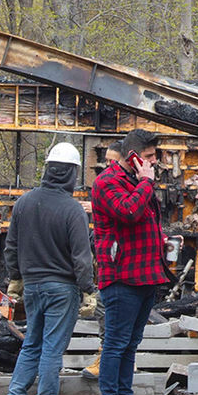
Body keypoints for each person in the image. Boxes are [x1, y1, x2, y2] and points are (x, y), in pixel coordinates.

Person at [4, 142, 95, 395]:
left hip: (32, 286)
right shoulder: (73, 210)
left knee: (32, 342)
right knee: (53, 346)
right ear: (72, 174)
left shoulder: (24, 203)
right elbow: (82, 256)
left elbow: (11, 245)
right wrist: (87, 289)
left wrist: (16, 277)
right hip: (62, 289)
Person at [91, 128, 168, 395]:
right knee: (116, 342)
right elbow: (129, 212)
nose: (153, 162)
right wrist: (146, 182)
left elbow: (143, 223)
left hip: (144, 275)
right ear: (131, 155)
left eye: (154, 156)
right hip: (122, 275)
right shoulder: (108, 182)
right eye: (148, 157)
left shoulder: (136, 182)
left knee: (131, 342)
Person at [81, 140, 122, 382]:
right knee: (105, 312)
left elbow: (126, 214)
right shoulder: (107, 184)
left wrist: (96, 209)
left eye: (113, 161)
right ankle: (109, 362)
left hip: (120, 266)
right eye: (106, 162)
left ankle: (107, 363)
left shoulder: (127, 187)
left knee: (109, 313)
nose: (108, 167)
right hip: (107, 261)